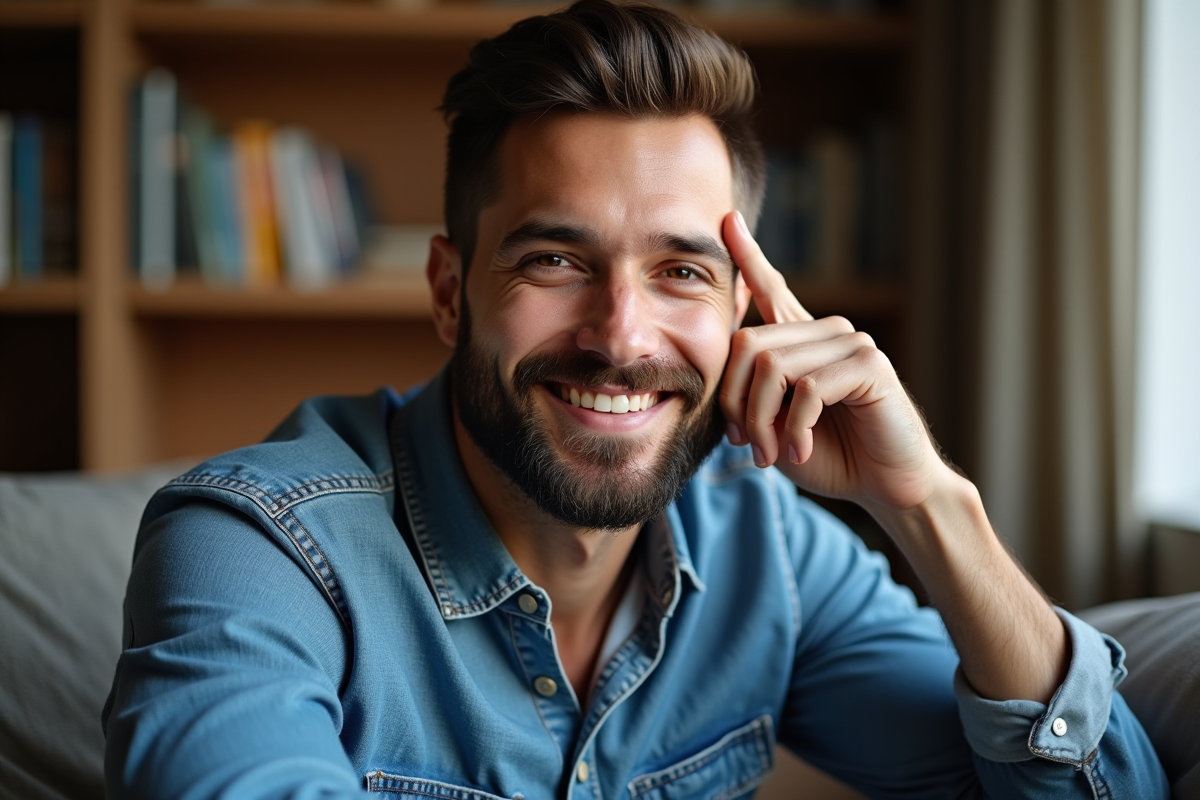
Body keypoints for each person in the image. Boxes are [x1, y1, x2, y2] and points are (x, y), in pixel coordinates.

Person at [102, 2, 1167, 798]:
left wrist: (929, 501)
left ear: (748, 309)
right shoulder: (257, 547)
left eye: (683, 272)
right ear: (448, 291)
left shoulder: (771, 551)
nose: (620, 335)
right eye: (557, 258)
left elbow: (1097, 784)